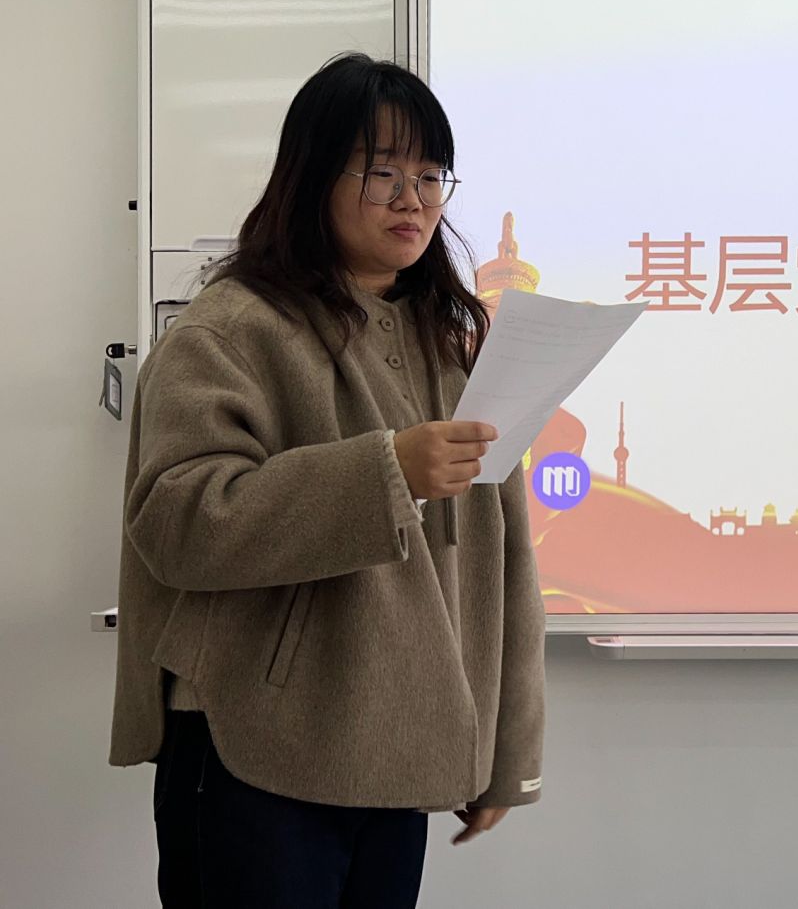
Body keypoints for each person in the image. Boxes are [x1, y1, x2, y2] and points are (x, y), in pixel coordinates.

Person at [109, 53, 546, 908]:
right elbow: (177, 521)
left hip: (397, 755)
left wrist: (504, 752)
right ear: (312, 177)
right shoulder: (230, 331)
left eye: (430, 176)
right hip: (252, 749)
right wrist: (386, 472)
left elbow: (504, 559)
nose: (412, 200)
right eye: (383, 173)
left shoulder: (450, 343)